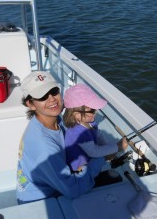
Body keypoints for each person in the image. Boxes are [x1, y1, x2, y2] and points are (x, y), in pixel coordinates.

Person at [16, 71, 105, 204]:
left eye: (54, 91)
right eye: (43, 96)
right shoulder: (44, 145)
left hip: (51, 184)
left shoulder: (53, 119)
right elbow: (73, 190)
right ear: (31, 104)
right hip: (41, 200)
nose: (52, 98)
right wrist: (102, 158)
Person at [63, 83, 128, 173]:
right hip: (79, 170)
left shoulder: (89, 121)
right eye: (92, 110)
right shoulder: (77, 132)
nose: (96, 112)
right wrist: (118, 147)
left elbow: (98, 134)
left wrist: (107, 147)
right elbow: (94, 152)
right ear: (77, 115)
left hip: (89, 158)